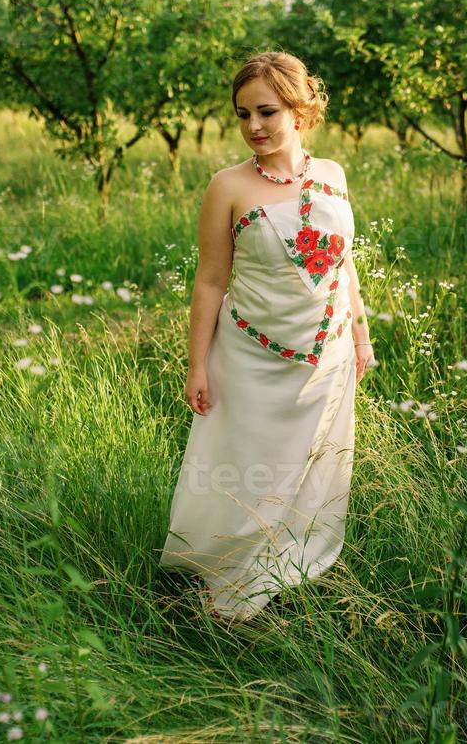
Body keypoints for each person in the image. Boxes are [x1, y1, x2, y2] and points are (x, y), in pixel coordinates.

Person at [157, 50, 376, 622]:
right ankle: (225, 582)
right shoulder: (227, 186)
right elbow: (209, 281)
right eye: (242, 115)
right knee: (249, 466)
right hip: (250, 353)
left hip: (325, 353)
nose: (253, 126)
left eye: (266, 112)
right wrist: (197, 365)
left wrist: (360, 334)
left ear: (299, 110)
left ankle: (286, 571)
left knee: (310, 466)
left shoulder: (333, 175)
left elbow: (343, 263)